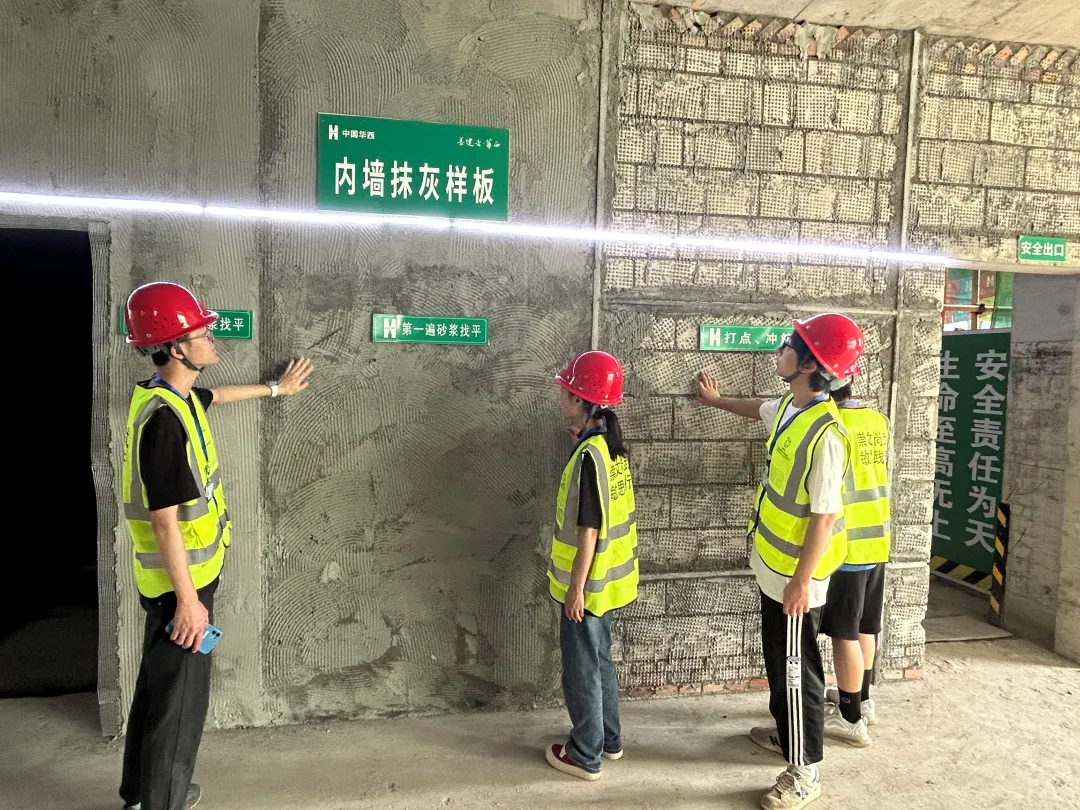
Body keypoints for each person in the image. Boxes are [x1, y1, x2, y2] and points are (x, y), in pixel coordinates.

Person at [119, 282, 313, 810]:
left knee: (158, 690)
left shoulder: (171, 398)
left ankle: (139, 792)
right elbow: (165, 524)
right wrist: (189, 602)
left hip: (177, 580)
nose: (212, 340)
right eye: (202, 334)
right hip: (181, 585)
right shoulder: (164, 423)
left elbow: (217, 396)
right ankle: (163, 801)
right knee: (181, 703)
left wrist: (276, 390)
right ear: (175, 348)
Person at [694, 314, 864, 810]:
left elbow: (824, 517)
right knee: (778, 661)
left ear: (810, 365)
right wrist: (715, 402)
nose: (780, 349)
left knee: (796, 672)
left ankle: (804, 770)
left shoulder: (826, 435)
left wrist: (800, 581)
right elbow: (760, 410)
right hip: (774, 567)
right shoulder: (792, 407)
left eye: (790, 344)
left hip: (795, 579)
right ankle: (786, 735)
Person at [544, 351, 638, 782]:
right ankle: (609, 740)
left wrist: (575, 590)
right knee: (600, 661)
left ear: (581, 400)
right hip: (611, 582)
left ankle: (585, 753)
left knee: (582, 670)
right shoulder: (607, 447)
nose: (561, 396)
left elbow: (588, 531)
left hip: (588, 586)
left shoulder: (588, 457)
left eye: (567, 391)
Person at [819, 381, 892, 745]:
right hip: (876, 538)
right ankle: (861, 700)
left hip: (846, 546)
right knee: (865, 626)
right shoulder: (877, 420)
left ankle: (849, 720)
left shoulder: (832, 426)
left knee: (843, 633)